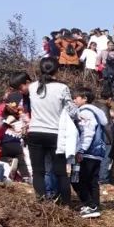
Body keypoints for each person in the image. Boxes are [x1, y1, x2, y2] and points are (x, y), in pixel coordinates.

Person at [25, 58, 75, 204]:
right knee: (60, 172)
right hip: (55, 134)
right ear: (56, 70)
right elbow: (71, 111)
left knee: (38, 172)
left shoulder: (32, 87)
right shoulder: (62, 88)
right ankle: (66, 204)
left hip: (34, 132)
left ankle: (41, 203)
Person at [73, 87, 107, 218]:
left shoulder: (85, 112)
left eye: (76, 97)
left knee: (77, 180)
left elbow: (88, 132)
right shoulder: (97, 112)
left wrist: (81, 149)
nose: (74, 100)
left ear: (85, 98)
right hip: (97, 152)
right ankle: (95, 205)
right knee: (92, 180)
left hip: (88, 151)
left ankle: (90, 204)